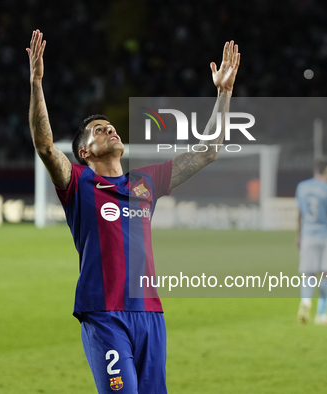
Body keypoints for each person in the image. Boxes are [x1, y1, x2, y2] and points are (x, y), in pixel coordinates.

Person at [26, 29, 240, 393]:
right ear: (84, 152)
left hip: (150, 314)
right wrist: (36, 83)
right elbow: (45, 146)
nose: (109, 128)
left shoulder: (145, 183)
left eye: (109, 126)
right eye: (98, 130)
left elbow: (207, 151)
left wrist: (224, 93)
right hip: (104, 314)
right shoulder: (78, 184)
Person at [295, 157, 327, 326]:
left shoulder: (302, 187)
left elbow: (299, 214)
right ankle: (322, 315)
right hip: (326, 236)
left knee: (309, 274)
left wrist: (299, 235)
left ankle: (305, 301)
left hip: (308, 235)